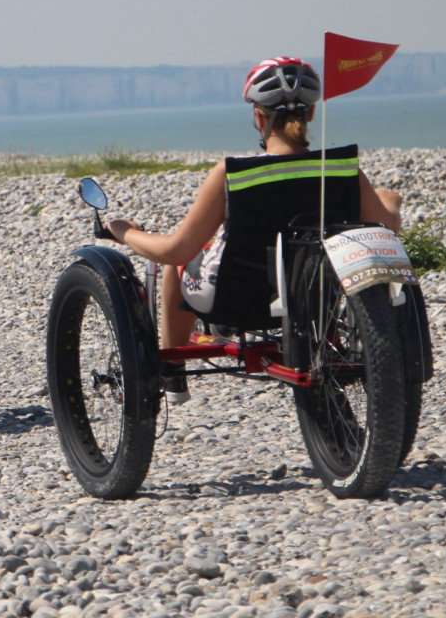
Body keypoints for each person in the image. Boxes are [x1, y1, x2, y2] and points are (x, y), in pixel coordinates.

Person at [104, 57, 402, 402]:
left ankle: (174, 375)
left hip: (237, 302)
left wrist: (126, 232)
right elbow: (386, 225)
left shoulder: (231, 174)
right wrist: (390, 200)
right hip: (318, 302)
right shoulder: (342, 170)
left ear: (258, 117)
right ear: (311, 115)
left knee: (176, 264)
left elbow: (176, 250)